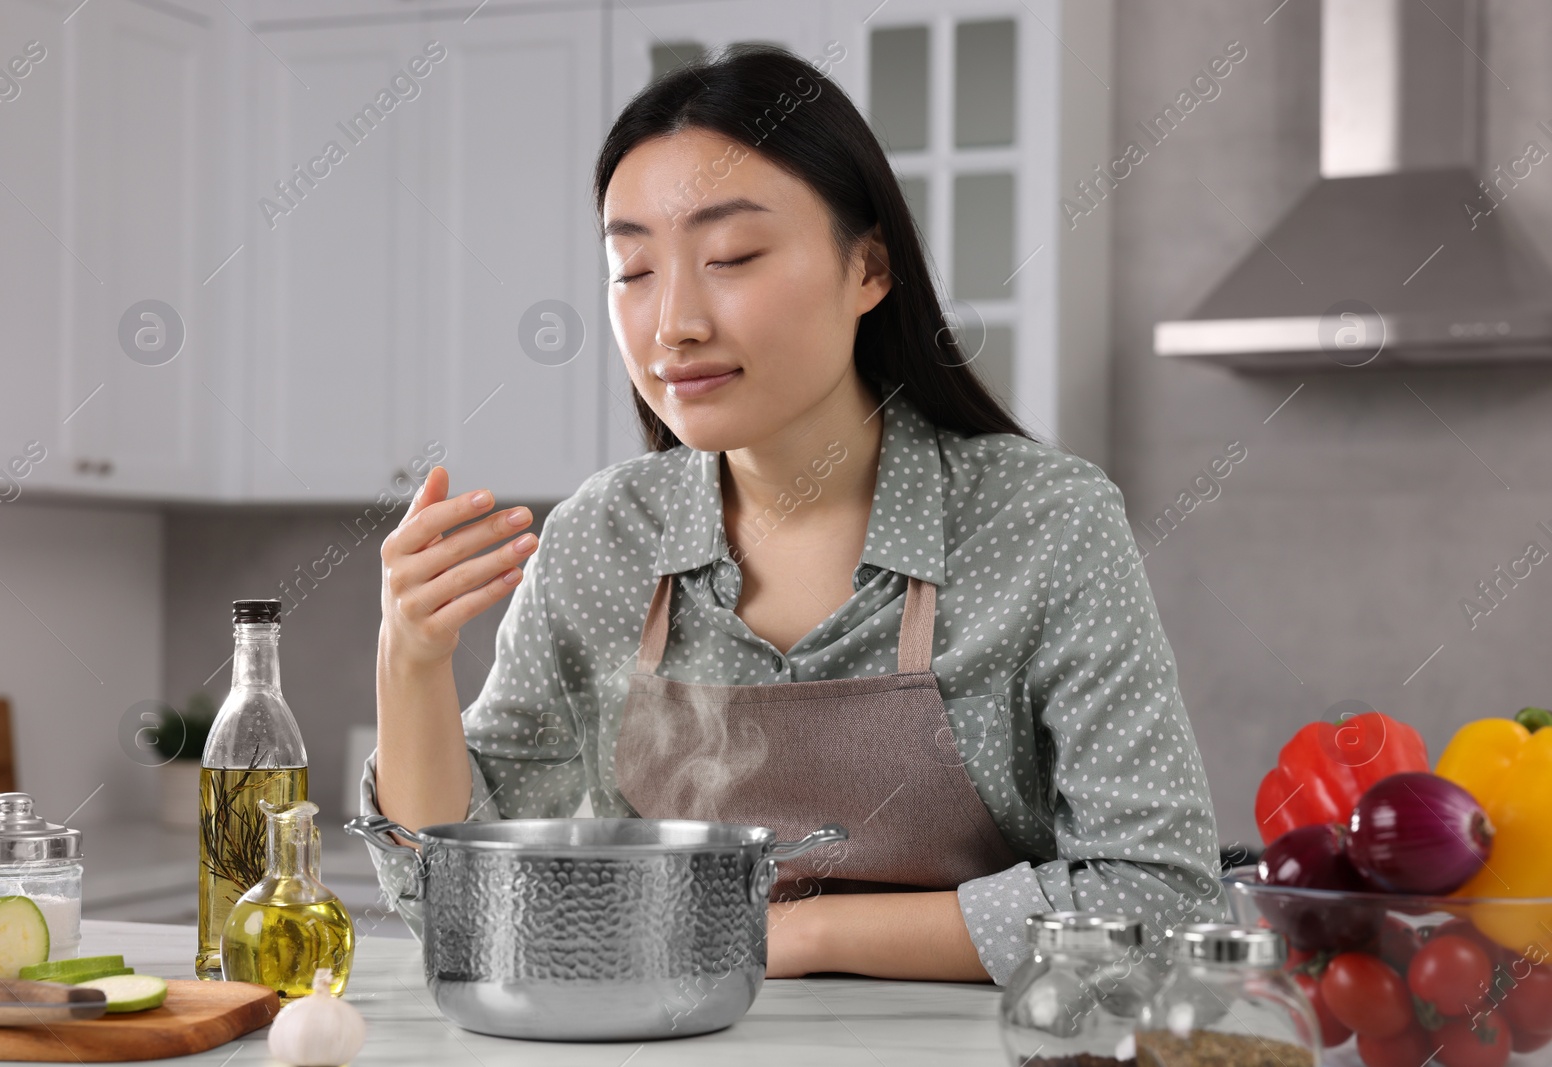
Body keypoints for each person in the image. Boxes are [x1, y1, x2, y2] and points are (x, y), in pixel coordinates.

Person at [360, 43, 1225, 986]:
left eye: (732, 256)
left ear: (870, 268)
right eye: (633, 270)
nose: (673, 323)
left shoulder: (1047, 522)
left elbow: (1161, 895)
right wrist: (410, 659)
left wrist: (795, 936)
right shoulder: (602, 541)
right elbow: (458, 898)